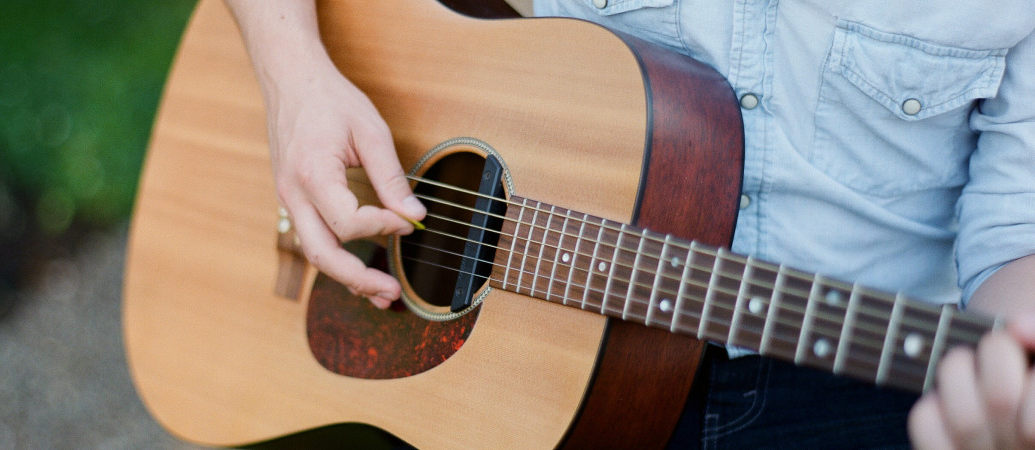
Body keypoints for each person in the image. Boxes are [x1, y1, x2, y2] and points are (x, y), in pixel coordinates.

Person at [223, 0, 1035, 447]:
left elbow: (1016, 240)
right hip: (527, 366)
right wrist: (295, 80)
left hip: (853, 387)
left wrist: (1012, 374)